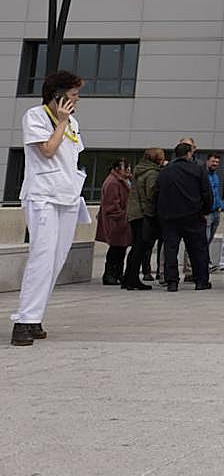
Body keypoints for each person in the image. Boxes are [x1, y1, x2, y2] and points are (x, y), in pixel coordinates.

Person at [10, 72, 88, 346]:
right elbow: (47, 150)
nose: (78, 99)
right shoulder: (36, 116)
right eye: (74, 94)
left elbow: (72, 157)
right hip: (42, 196)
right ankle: (22, 321)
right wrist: (62, 121)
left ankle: (34, 317)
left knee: (56, 261)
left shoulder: (74, 123)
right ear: (59, 95)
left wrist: (67, 122)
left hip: (66, 198)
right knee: (41, 257)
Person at [155, 143, 213, 291]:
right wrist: (206, 210)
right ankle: (201, 280)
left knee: (171, 250)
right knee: (198, 250)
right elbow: (206, 192)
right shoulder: (198, 169)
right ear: (189, 154)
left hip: (170, 217)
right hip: (193, 215)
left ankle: (172, 281)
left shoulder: (165, 171)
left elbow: (157, 193)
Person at [123, 147, 164, 291]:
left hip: (134, 213)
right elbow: (151, 194)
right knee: (140, 247)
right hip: (144, 214)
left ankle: (128, 278)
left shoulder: (139, 170)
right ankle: (132, 279)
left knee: (136, 247)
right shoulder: (152, 173)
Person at [96, 159, 131, 286]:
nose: (128, 169)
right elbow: (111, 206)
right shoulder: (113, 182)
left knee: (120, 249)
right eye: (125, 167)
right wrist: (122, 216)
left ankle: (117, 274)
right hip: (116, 222)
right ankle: (110, 275)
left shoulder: (122, 181)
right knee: (116, 249)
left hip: (121, 221)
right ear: (117, 169)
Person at [203, 153, 224, 274]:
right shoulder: (204, 176)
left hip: (216, 211)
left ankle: (207, 262)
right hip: (207, 212)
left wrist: (220, 206)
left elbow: (216, 193)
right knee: (204, 239)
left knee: (209, 239)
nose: (215, 164)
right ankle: (206, 263)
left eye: (217, 162)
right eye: (213, 161)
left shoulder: (215, 176)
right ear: (207, 161)